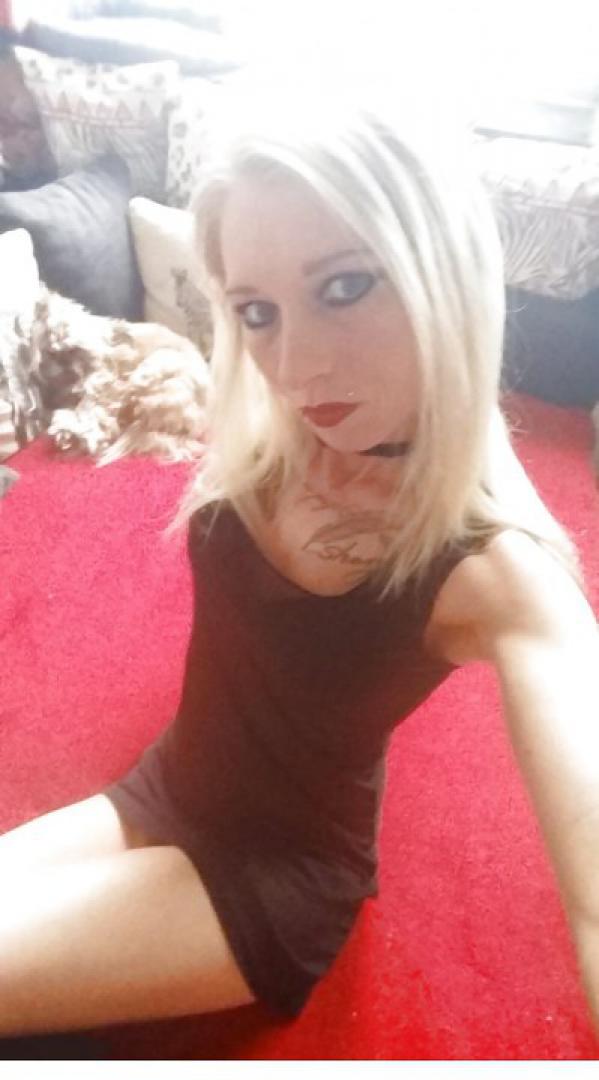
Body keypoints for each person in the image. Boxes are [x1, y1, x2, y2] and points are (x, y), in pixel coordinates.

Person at [1, 73, 598, 1039]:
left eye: (345, 287)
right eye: (257, 311)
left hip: (265, 879)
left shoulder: (496, 572)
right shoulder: (282, 428)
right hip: (164, 782)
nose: (295, 367)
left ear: (441, 272)